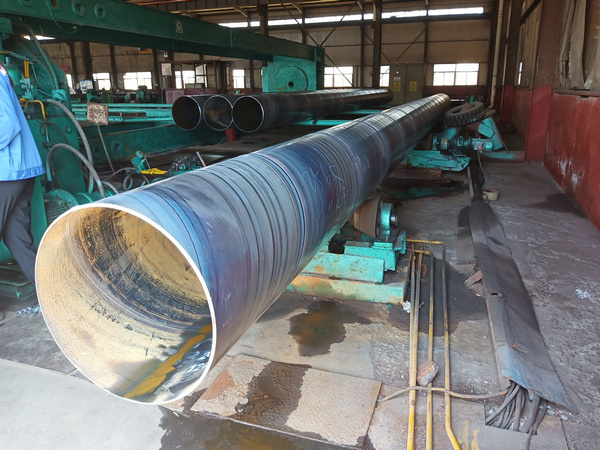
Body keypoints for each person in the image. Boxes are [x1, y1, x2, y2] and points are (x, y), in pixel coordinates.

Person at [0, 61, 46, 319]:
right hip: (19, 171)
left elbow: (7, 125)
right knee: (17, 239)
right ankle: (51, 299)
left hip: (6, 172)